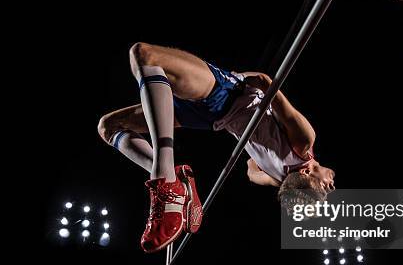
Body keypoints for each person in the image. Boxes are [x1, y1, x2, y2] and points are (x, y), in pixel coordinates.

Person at [97, 43, 335, 253]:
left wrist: (241, 81)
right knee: (108, 127)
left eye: (326, 186)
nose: (332, 184)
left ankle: (165, 180)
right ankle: (175, 181)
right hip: (213, 118)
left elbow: (265, 82)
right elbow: (251, 170)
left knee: (144, 54)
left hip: (224, 96)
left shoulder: (304, 142)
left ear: (306, 173)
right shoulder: (279, 179)